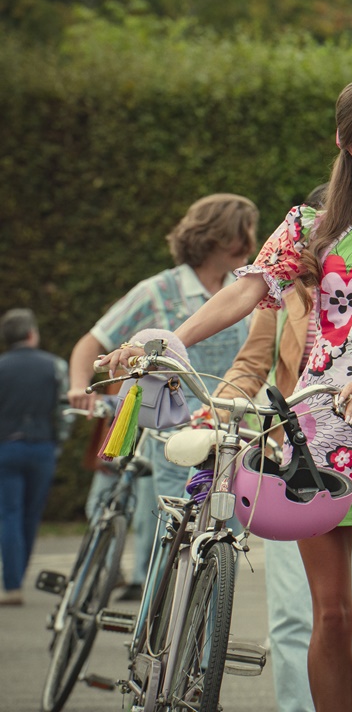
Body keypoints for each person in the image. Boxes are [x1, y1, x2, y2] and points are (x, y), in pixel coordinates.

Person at [98, 74, 352, 712]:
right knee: (330, 615)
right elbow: (247, 289)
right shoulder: (312, 225)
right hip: (314, 436)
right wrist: (170, 341)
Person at [214, 184, 352, 712]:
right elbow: (251, 365)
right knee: (294, 613)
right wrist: (218, 403)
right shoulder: (280, 298)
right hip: (294, 470)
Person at [67, 193, 258, 600]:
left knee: (222, 547)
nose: (254, 240)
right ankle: (158, 635)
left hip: (226, 434)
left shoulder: (244, 292)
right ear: (222, 236)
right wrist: (77, 387)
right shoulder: (157, 290)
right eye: (247, 231)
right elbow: (93, 341)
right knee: (173, 543)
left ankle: (204, 653)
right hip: (170, 432)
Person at [0, 309, 69, 606]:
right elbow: (64, 411)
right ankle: (19, 574)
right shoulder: (55, 365)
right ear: (31, 333)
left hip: (6, 447)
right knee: (31, 515)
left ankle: (12, 584)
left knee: (9, 514)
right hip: (42, 447)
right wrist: (59, 443)